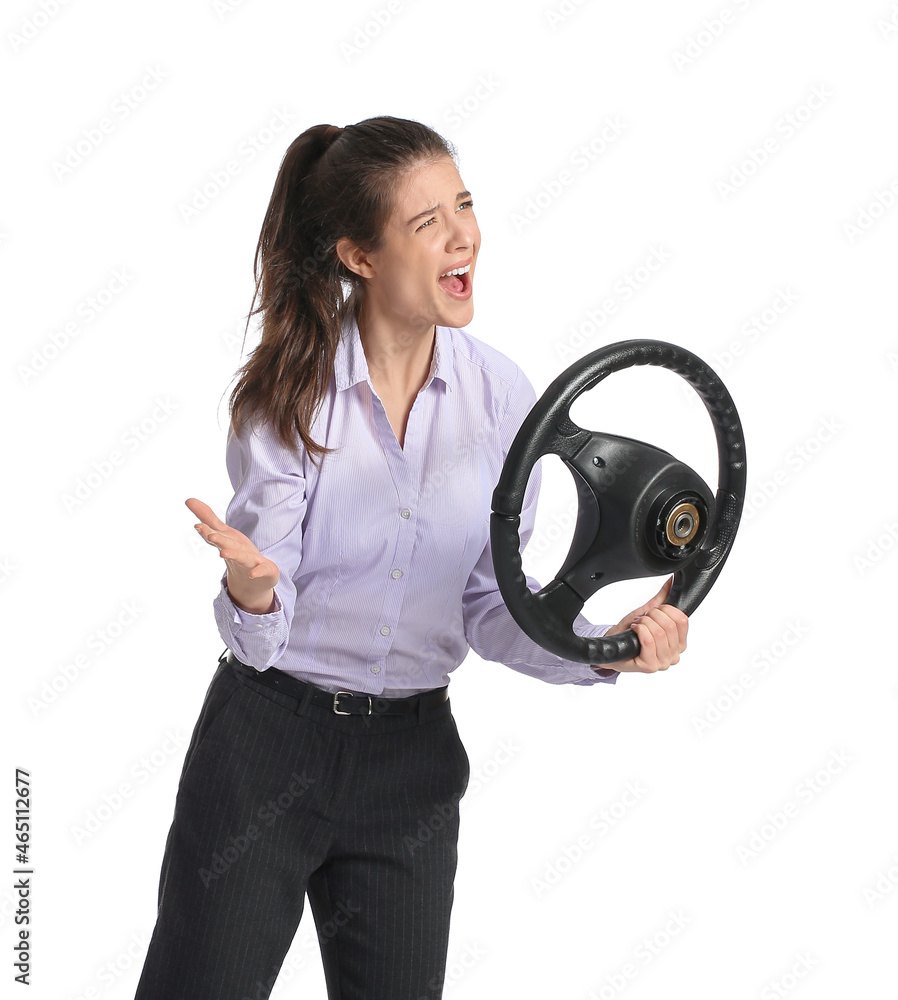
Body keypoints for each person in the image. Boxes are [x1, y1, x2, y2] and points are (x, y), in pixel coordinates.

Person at [133, 115, 688, 1000]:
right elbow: (259, 641)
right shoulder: (287, 393)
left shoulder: (505, 397)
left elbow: (491, 603)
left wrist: (603, 644)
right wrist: (254, 590)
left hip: (411, 763)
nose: (463, 232)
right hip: (266, 747)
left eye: (464, 204)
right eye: (427, 221)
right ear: (358, 254)